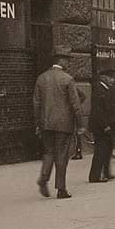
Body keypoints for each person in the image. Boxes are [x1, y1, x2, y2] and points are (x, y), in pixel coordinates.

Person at [34, 47, 85, 199]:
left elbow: (36, 104)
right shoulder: (67, 79)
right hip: (64, 124)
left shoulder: (41, 78)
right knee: (62, 155)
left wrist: (38, 123)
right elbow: (76, 104)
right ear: (61, 60)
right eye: (67, 60)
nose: (68, 62)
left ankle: (44, 177)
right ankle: (61, 189)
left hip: (46, 123)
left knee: (49, 151)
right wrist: (81, 124)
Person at [88, 69, 115, 183]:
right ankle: (95, 176)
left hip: (108, 125)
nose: (113, 80)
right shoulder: (99, 90)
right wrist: (105, 125)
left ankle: (106, 172)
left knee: (108, 149)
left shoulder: (107, 90)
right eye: (110, 78)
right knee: (100, 150)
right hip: (101, 127)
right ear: (104, 77)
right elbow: (98, 111)